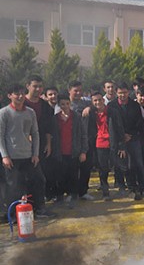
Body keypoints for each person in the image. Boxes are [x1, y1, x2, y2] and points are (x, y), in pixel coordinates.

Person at [0, 84, 53, 218]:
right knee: (14, 187)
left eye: (22, 93)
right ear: (9, 96)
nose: (20, 96)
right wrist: (5, 156)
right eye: (16, 94)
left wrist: (35, 154)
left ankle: (39, 208)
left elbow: (35, 133)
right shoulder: (4, 113)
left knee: (39, 180)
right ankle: (13, 215)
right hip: (12, 157)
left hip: (29, 155)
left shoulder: (30, 112)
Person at [52, 95, 87, 208]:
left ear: (70, 104)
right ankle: (60, 196)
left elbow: (83, 135)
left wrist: (83, 151)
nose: (65, 106)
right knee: (60, 175)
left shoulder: (76, 117)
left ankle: (73, 195)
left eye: (67, 104)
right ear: (59, 105)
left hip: (74, 152)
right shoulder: (55, 118)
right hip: (59, 152)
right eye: (62, 104)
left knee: (73, 175)